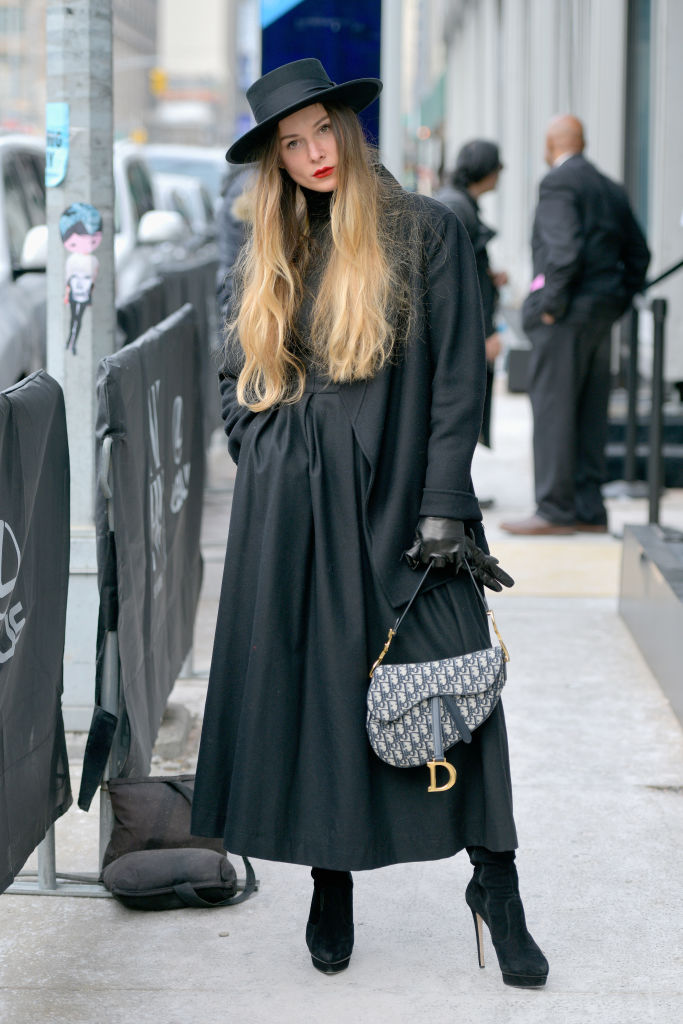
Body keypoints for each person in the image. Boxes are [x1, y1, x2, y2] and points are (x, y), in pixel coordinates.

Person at [190, 58, 548, 988]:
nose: (311, 155)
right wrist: (262, 450)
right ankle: (329, 880)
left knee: (453, 686)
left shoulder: (424, 229)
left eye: (320, 132)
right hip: (295, 515)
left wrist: (442, 506)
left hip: (402, 506)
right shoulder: (273, 247)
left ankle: (496, 886)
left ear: (347, 129)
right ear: (274, 160)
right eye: (289, 144)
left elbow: (457, 387)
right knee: (319, 699)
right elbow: (236, 382)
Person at [501, 114, 650, 535]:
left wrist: (551, 305)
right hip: (599, 314)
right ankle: (588, 508)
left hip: (565, 315)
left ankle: (554, 509)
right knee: (589, 410)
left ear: (552, 146)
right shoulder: (609, 187)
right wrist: (615, 301)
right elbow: (639, 254)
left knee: (553, 408)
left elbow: (563, 251)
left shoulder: (558, 182)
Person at [435, 140, 507, 452]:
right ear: (487, 171)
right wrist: (482, 337)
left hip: (467, 329)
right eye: (498, 165)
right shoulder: (458, 207)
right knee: (461, 409)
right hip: (467, 333)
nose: (502, 172)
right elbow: (454, 281)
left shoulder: (457, 202)